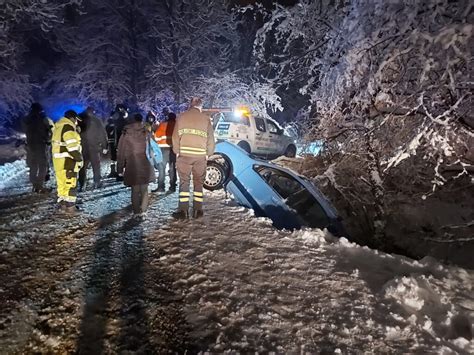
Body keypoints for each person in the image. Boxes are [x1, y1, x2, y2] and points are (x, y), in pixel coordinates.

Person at [172, 97, 215, 219]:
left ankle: (183, 211)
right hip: (200, 157)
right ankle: (198, 211)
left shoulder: (181, 117)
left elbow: (175, 137)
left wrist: (177, 151)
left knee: (184, 183)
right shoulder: (206, 119)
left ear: (190, 105)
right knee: (198, 183)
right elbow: (211, 139)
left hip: (184, 155)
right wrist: (208, 153)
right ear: (200, 107)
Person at [117, 113, 155, 216]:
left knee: (135, 189)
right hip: (145, 163)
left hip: (132, 163)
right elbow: (153, 148)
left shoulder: (126, 133)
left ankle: (136, 212)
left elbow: (121, 151)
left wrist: (120, 168)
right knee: (144, 188)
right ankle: (143, 210)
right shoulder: (147, 132)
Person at [52, 110, 83, 213]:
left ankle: (63, 206)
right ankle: (71, 208)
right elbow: (72, 147)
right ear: (72, 118)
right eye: (76, 120)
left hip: (59, 161)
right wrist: (79, 158)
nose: (76, 123)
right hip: (68, 160)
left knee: (62, 184)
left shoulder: (59, 126)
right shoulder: (68, 127)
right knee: (71, 183)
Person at [21, 103, 51, 193]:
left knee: (33, 165)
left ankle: (34, 185)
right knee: (43, 165)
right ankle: (40, 186)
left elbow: (24, 129)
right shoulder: (43, 118)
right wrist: (48, 139)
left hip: (30, 145)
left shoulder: (26, 119)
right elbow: (49, 130)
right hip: (40, 144)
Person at [78, 107, 108, 190]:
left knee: (82, 166)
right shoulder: (97, 121)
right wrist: (105, 146)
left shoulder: (79, 120)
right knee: (96, 165)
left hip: (82, 146)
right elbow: (102, 133)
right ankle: (97, 182)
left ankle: (82, 184)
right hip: (94, 147)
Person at [153, 112, 177, 192]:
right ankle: (173, 187)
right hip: (173, 150)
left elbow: (156, 138)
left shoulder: (162, 125)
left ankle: (161, 187)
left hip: (162, 150)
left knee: (161, 169)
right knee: (172, 169)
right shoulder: (177, 126)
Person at [105, 104, 128, 177]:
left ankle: (114, 171)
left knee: (114, 156)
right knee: (122, 157)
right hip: (121, 141)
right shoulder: (124, 120)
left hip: (112, 141)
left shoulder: (112, 121)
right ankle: (121, 172)